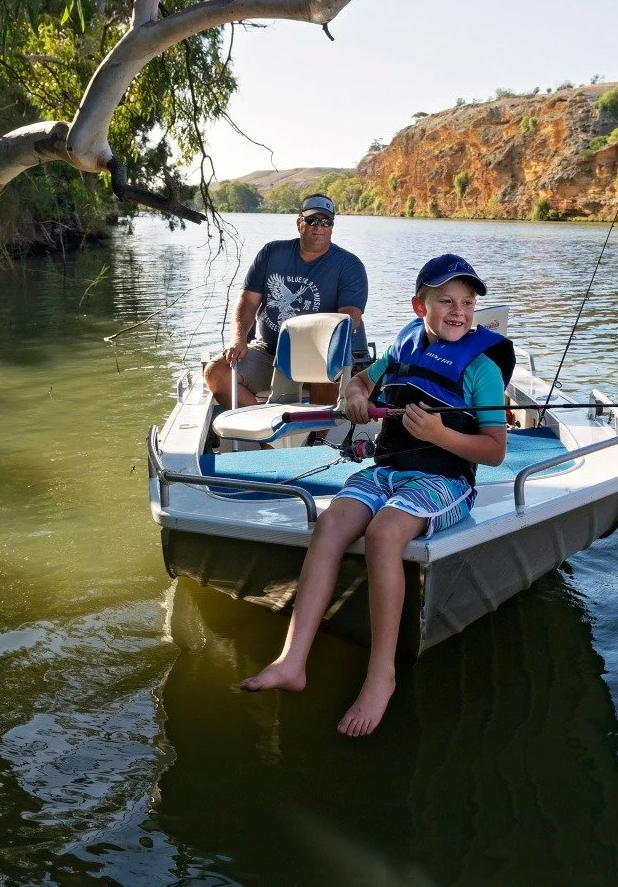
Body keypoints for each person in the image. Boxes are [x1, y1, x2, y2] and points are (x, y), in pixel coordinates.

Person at [240, 254, 515, 737]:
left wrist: (439, 435)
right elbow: (366, 380)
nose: (458, 311)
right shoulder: (402, 344)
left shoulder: (483, 369)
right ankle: (292, 659)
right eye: (445, 300)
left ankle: (380, 675)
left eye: (468, 303)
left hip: (445, 480)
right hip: (388, 469)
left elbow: (493, 451)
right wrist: (356, 394)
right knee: (330, 523)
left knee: (385, 533)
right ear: (419, 306)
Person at [204, 194, 368, 408]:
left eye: (325, 222)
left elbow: (350, 319)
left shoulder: (350, 265)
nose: (318, 227)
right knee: (216, 372)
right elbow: (248, 302)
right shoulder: (272, 253)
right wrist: (238, 338)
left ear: (331, 226)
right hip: (268, 352)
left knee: (332, 363)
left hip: (319, 354)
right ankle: (266, 436)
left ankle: (315, 440)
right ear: (299, 222)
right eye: (311, 221)